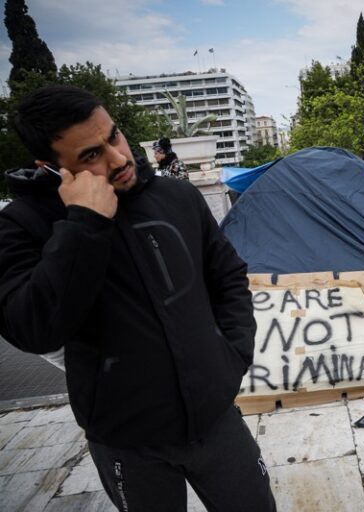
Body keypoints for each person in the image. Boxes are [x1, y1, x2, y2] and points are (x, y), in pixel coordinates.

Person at [0, 85, 276, 511]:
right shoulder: (23, 226)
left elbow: (228, 277)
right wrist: (84, 223)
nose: (118, 158)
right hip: (127, 440)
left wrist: (232, 355)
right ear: (51, 168)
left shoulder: (177, 197)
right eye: (90, 155)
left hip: (214, 418)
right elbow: (32, 328)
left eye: (113, 136)